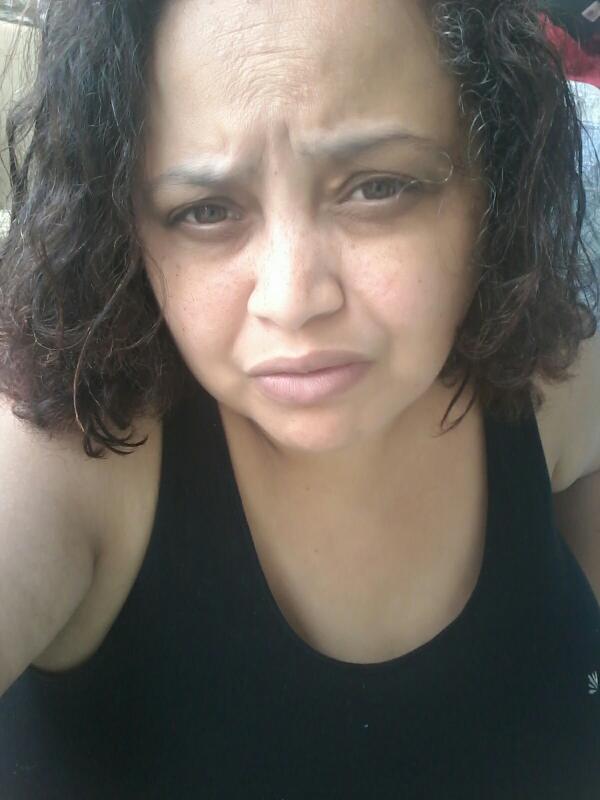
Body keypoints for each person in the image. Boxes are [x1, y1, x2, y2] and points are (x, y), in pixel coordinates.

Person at [0, 0, 598, 797]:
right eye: (205, 211)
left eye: (377, 187)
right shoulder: (72, 454)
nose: (292, 299)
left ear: (497, 180)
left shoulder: (552, 380)